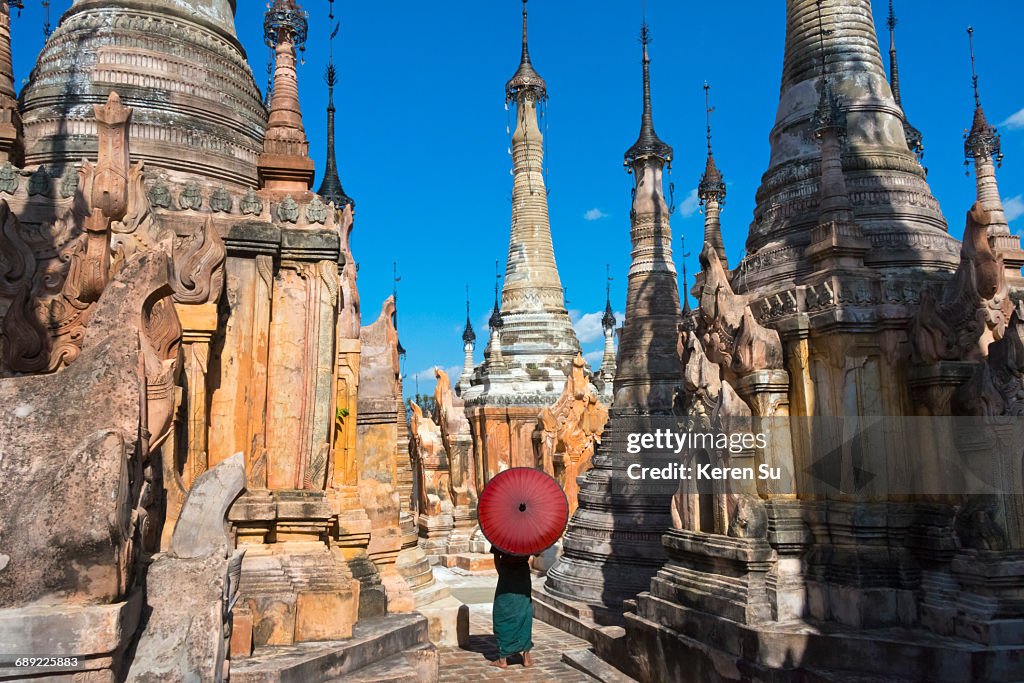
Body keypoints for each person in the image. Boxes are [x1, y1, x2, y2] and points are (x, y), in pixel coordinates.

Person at [489, 546, 534, 668]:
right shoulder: (529, 535)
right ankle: (526, 657)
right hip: (523, 573)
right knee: (524, 610)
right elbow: (536, 552)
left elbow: (496, 556)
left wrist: (502, 572)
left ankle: (503, 659)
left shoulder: (503, 534)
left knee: (502, 612)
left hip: (506, 573)